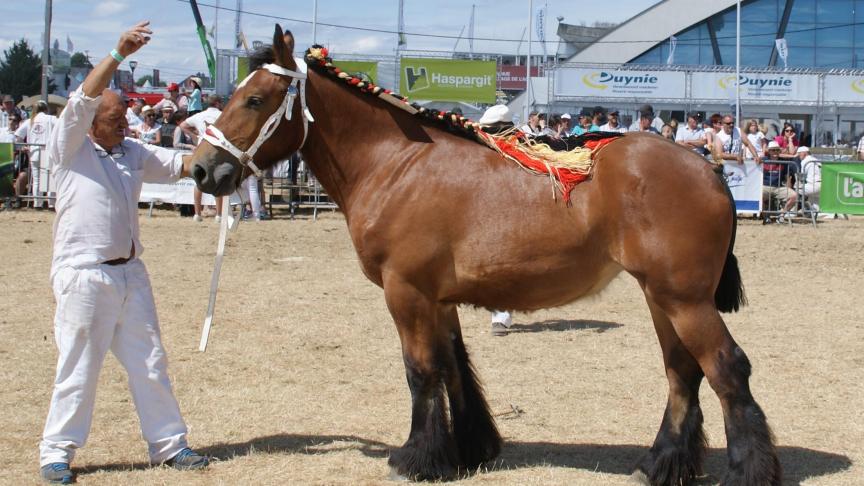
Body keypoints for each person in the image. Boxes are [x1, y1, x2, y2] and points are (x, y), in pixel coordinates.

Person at [38, 21, 209, 485]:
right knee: (79, 366)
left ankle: (169, 445)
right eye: (115, 116)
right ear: (91, 122)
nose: (124, 120)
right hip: (84, 275)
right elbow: (81, 100)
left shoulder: (131, 151)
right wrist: (118, 52)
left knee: (150, 361)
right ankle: (56, 453)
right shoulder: (70, 147)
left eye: (125, 115)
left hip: (131, 272)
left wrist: (227, 153)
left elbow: (182, 165)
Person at [180, 94, 224, 221]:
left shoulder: (199, 115)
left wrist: (195, 135)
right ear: (218, 103)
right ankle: (219, 215)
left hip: (201, 148)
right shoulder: (222, 115)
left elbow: (182, 125)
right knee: (218, 182)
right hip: (217, 149)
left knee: (198, 182)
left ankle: (197, 214)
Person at [15, 100, 58, 202]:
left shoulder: (30, 121)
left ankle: (37, 203)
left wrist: (23, 147)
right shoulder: (51, 118)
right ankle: (51, 202)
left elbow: (17, 136)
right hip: (47, 151)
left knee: (36, 179)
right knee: (48, 178)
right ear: (46, 108)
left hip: (34, 152)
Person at [760, 141, 797, 223]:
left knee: (794, 196)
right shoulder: (762, 160)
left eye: (777, 150)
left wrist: (788, 188)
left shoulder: (784, 162)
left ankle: (781, 215)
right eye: (773, 150)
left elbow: (787, 177)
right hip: (764, 186)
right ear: (769, 151)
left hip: (778, 187)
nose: (775, 152)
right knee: (758, 195)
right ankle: (765, 216)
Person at [780, 146, 820, 219]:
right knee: (815, 199)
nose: (798, 156)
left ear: (804, 153)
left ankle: (792, 212)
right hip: (822, 185)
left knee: (795, 192)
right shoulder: (816, 160)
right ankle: (814, 213)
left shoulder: (805, 161)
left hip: (812, 185)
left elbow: (802, 177)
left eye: (799, 154)